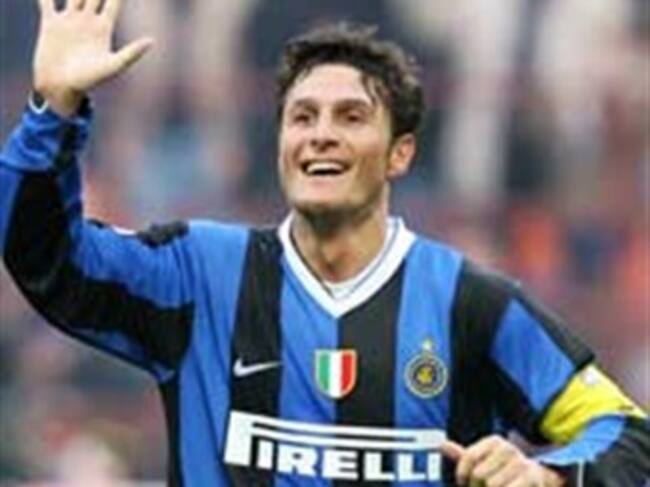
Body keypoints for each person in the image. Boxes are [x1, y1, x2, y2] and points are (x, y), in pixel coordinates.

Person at [0, 0, 647, 485]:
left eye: (351, 116)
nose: (321, 134)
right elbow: (45, 257)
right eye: (302, 116)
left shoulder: (472, 304)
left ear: (400, 154)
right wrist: (53, 110)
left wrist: (549, 474)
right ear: (281, 144)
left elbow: (627, 433)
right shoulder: (200, 274)